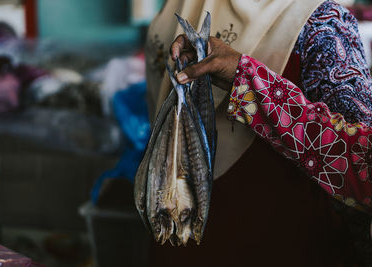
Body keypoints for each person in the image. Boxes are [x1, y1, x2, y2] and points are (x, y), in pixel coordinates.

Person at [145, 0, 372, 266]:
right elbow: (355, 170)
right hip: (272, 243)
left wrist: (247, 80)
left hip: (179, 235)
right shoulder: (323, 23)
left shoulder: (177, 9)